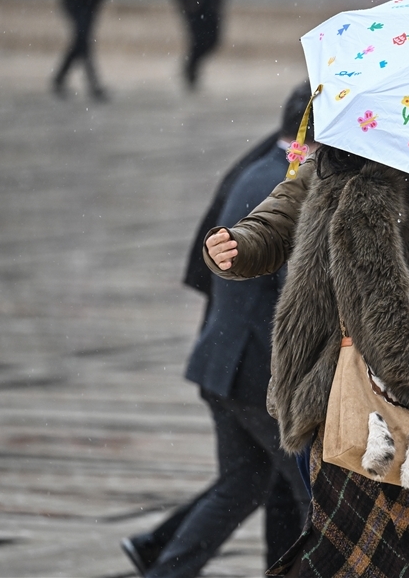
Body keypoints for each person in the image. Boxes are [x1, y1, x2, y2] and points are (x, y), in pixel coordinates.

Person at [203, 143, 409, 575]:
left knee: (366, 556)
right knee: (386, 557)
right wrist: (233, 247)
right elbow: (271, 228)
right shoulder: (340, 175)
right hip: (340, 389)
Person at [119, 84, 315, 578]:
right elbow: (295, 294)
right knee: (317, 494)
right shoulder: (290, 189)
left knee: (241, 486)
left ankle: (165, 570)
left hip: (223, 364)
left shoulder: (257, 170)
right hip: (257, 375)